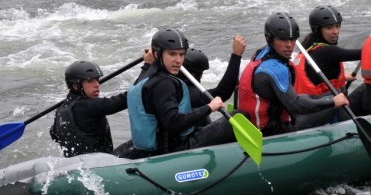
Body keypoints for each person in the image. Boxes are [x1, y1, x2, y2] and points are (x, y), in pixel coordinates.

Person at [124, 28, 235, 157]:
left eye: (181, 54)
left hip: (153, 147)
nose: (178, 60)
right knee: (240, 115)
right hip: (173, 150)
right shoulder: (163, 83)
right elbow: (174, 123)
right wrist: (210, 107)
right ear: (157, 53)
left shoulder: (147, 76)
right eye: (172, 54)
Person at [236, 12, 349, 136]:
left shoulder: (262, 53)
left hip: (259, 123)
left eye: (292, 39)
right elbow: (297, 106)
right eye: (283, 39)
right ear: (270, 38)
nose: (289, 45)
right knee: (335, 104)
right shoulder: (275, 69)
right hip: (272, 131)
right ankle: (345, 137)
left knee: (321, 98)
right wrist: (332, 102)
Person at [50, 60, 128, 157]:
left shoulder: (60, 111)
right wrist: (147, 66)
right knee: (140, 144)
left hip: (77, 166)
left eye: (97, 79)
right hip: (101, 164)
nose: (97, 84)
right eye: (90, 81)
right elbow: (124, 100)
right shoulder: (87, 106)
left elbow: (54, 135)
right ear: (75, 86)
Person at [292, 5, 362, 97]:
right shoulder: (326, 52)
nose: (335, 31)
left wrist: (343, 78)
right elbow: (363, 53)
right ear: (317, 30)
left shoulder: (308, 48)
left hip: (312, 106)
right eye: (329, 28)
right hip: (326, 109)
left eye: (338, 26)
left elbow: (316, 79)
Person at [178, 35, 247, 126]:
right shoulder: (187, 93)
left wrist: (232, 78)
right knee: (240, 115)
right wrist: (236, 56)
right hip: (190, 138)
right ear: (193, 74)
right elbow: (221, 93)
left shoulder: (173, 83)